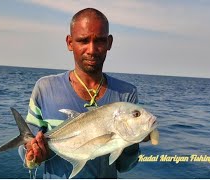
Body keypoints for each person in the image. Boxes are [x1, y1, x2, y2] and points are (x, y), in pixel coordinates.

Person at [19, 8, 144, 178]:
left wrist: (133, 141)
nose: (92, 50)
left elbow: (124, 166)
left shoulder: (126, 94)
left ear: (109, 43)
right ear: (70, 43)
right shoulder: (45, 88)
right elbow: (28, 151)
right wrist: (33, 156)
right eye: (83, 40)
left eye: (99, 41)